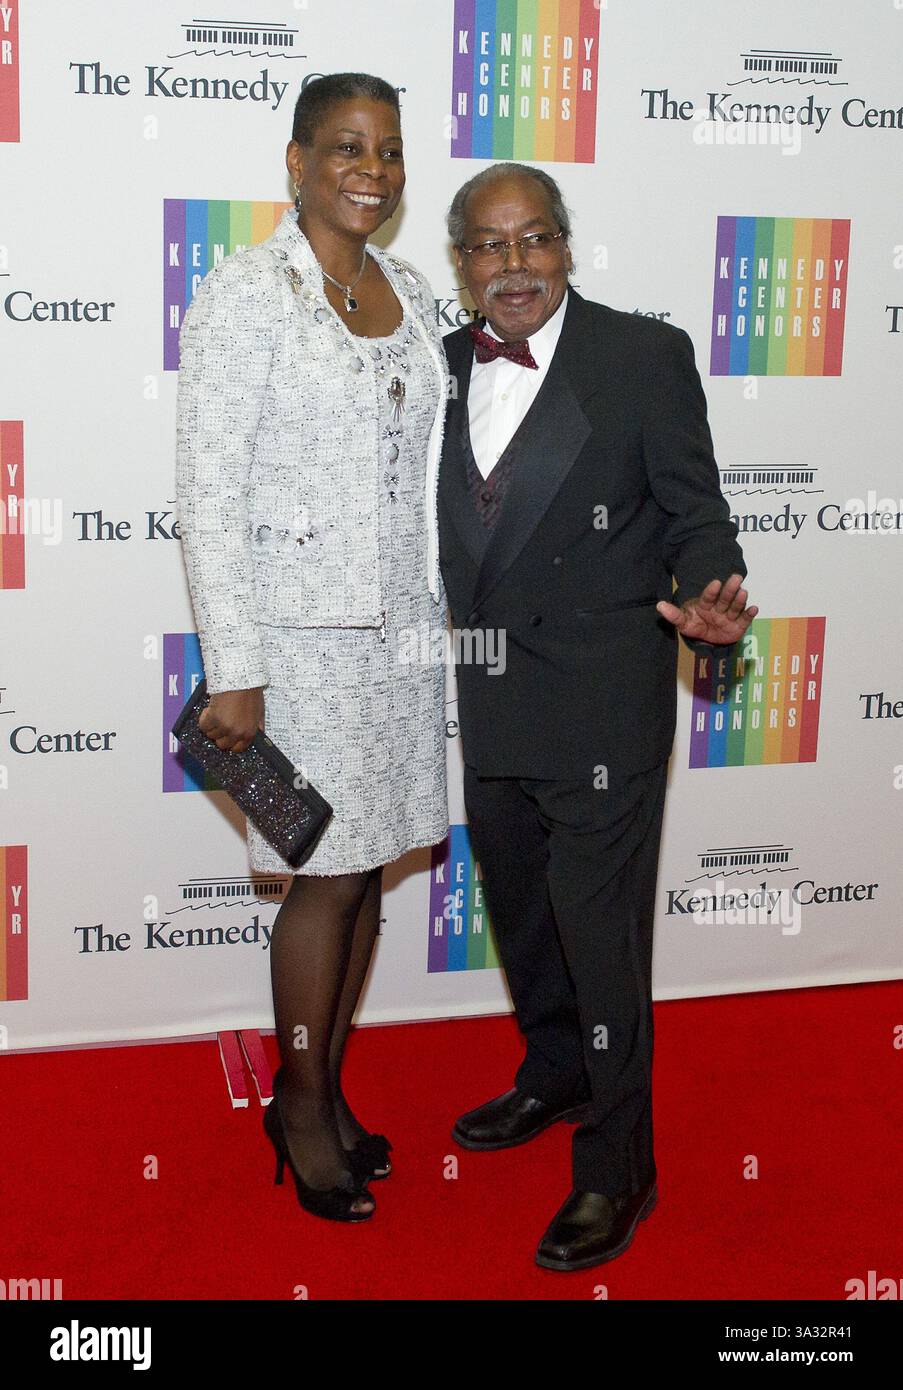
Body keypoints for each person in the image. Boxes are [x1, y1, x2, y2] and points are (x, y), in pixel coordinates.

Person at [438, 163, 757, 1270]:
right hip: (488, 694)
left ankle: (620, 1166)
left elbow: (695, 512)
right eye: (487, 245)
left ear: (566, 248)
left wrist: (713, 592)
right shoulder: (435, 368)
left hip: (605, 698)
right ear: (462, 262)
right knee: (522, 910)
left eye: (533, 240)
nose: (512, 265)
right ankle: (556, 1070)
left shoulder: (641, 357)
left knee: (598, 932)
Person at [175, 73, 449, 1222]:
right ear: (295, 162)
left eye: (386, 150)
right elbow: (206, 488)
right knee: (325, 877)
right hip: (296, 643)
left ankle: (327, 1089)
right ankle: (297, 1101)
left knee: (374, 867)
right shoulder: (248, 295)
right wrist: (233, 663)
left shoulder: (412, 286)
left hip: (405, 635)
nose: (370, 170)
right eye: (345, 146)